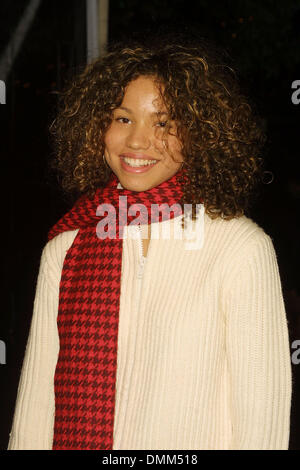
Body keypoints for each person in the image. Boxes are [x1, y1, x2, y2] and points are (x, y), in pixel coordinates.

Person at [8, 31, 292, 450]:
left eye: (164, 123)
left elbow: (261, 422)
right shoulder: (66, 250)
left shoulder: (241, 249)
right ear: (96, 127)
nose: (138, 141)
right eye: (123, 118)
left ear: (199, 133)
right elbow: (34, 410)